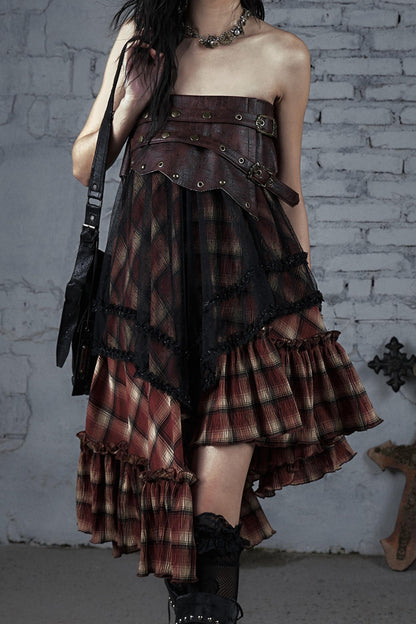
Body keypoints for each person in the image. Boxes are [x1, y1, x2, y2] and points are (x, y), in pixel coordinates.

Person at [71, 1, 383, 622]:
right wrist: (133, 101)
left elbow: (291, 194)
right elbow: (85, 165)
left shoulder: (284, 54)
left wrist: (302, 315)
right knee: (176, 514)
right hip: (149, 306)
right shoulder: (142, 39)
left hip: (245, 306)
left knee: (212, 520)